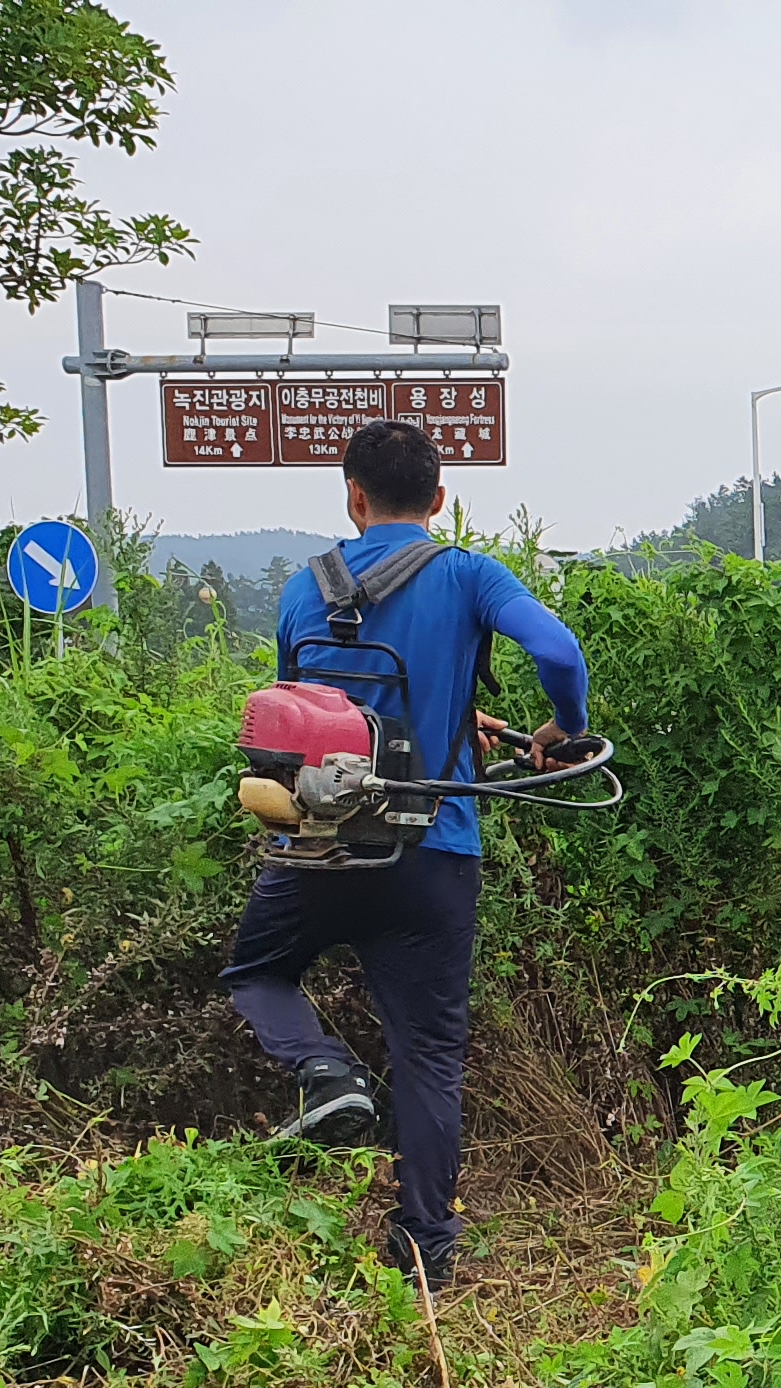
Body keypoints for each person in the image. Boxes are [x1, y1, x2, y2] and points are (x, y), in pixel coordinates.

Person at [222, 417, 590, 1290]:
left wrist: (452, 709)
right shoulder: (468, 575)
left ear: (352, 497)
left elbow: (302, 715)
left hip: (317, 847)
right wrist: (563, 731)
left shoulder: (305, 590)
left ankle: (325, 1072)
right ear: (439, 499)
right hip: (431, 849)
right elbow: (558, 649)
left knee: (258, 974)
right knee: (427, 1052)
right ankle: (425, 1246)